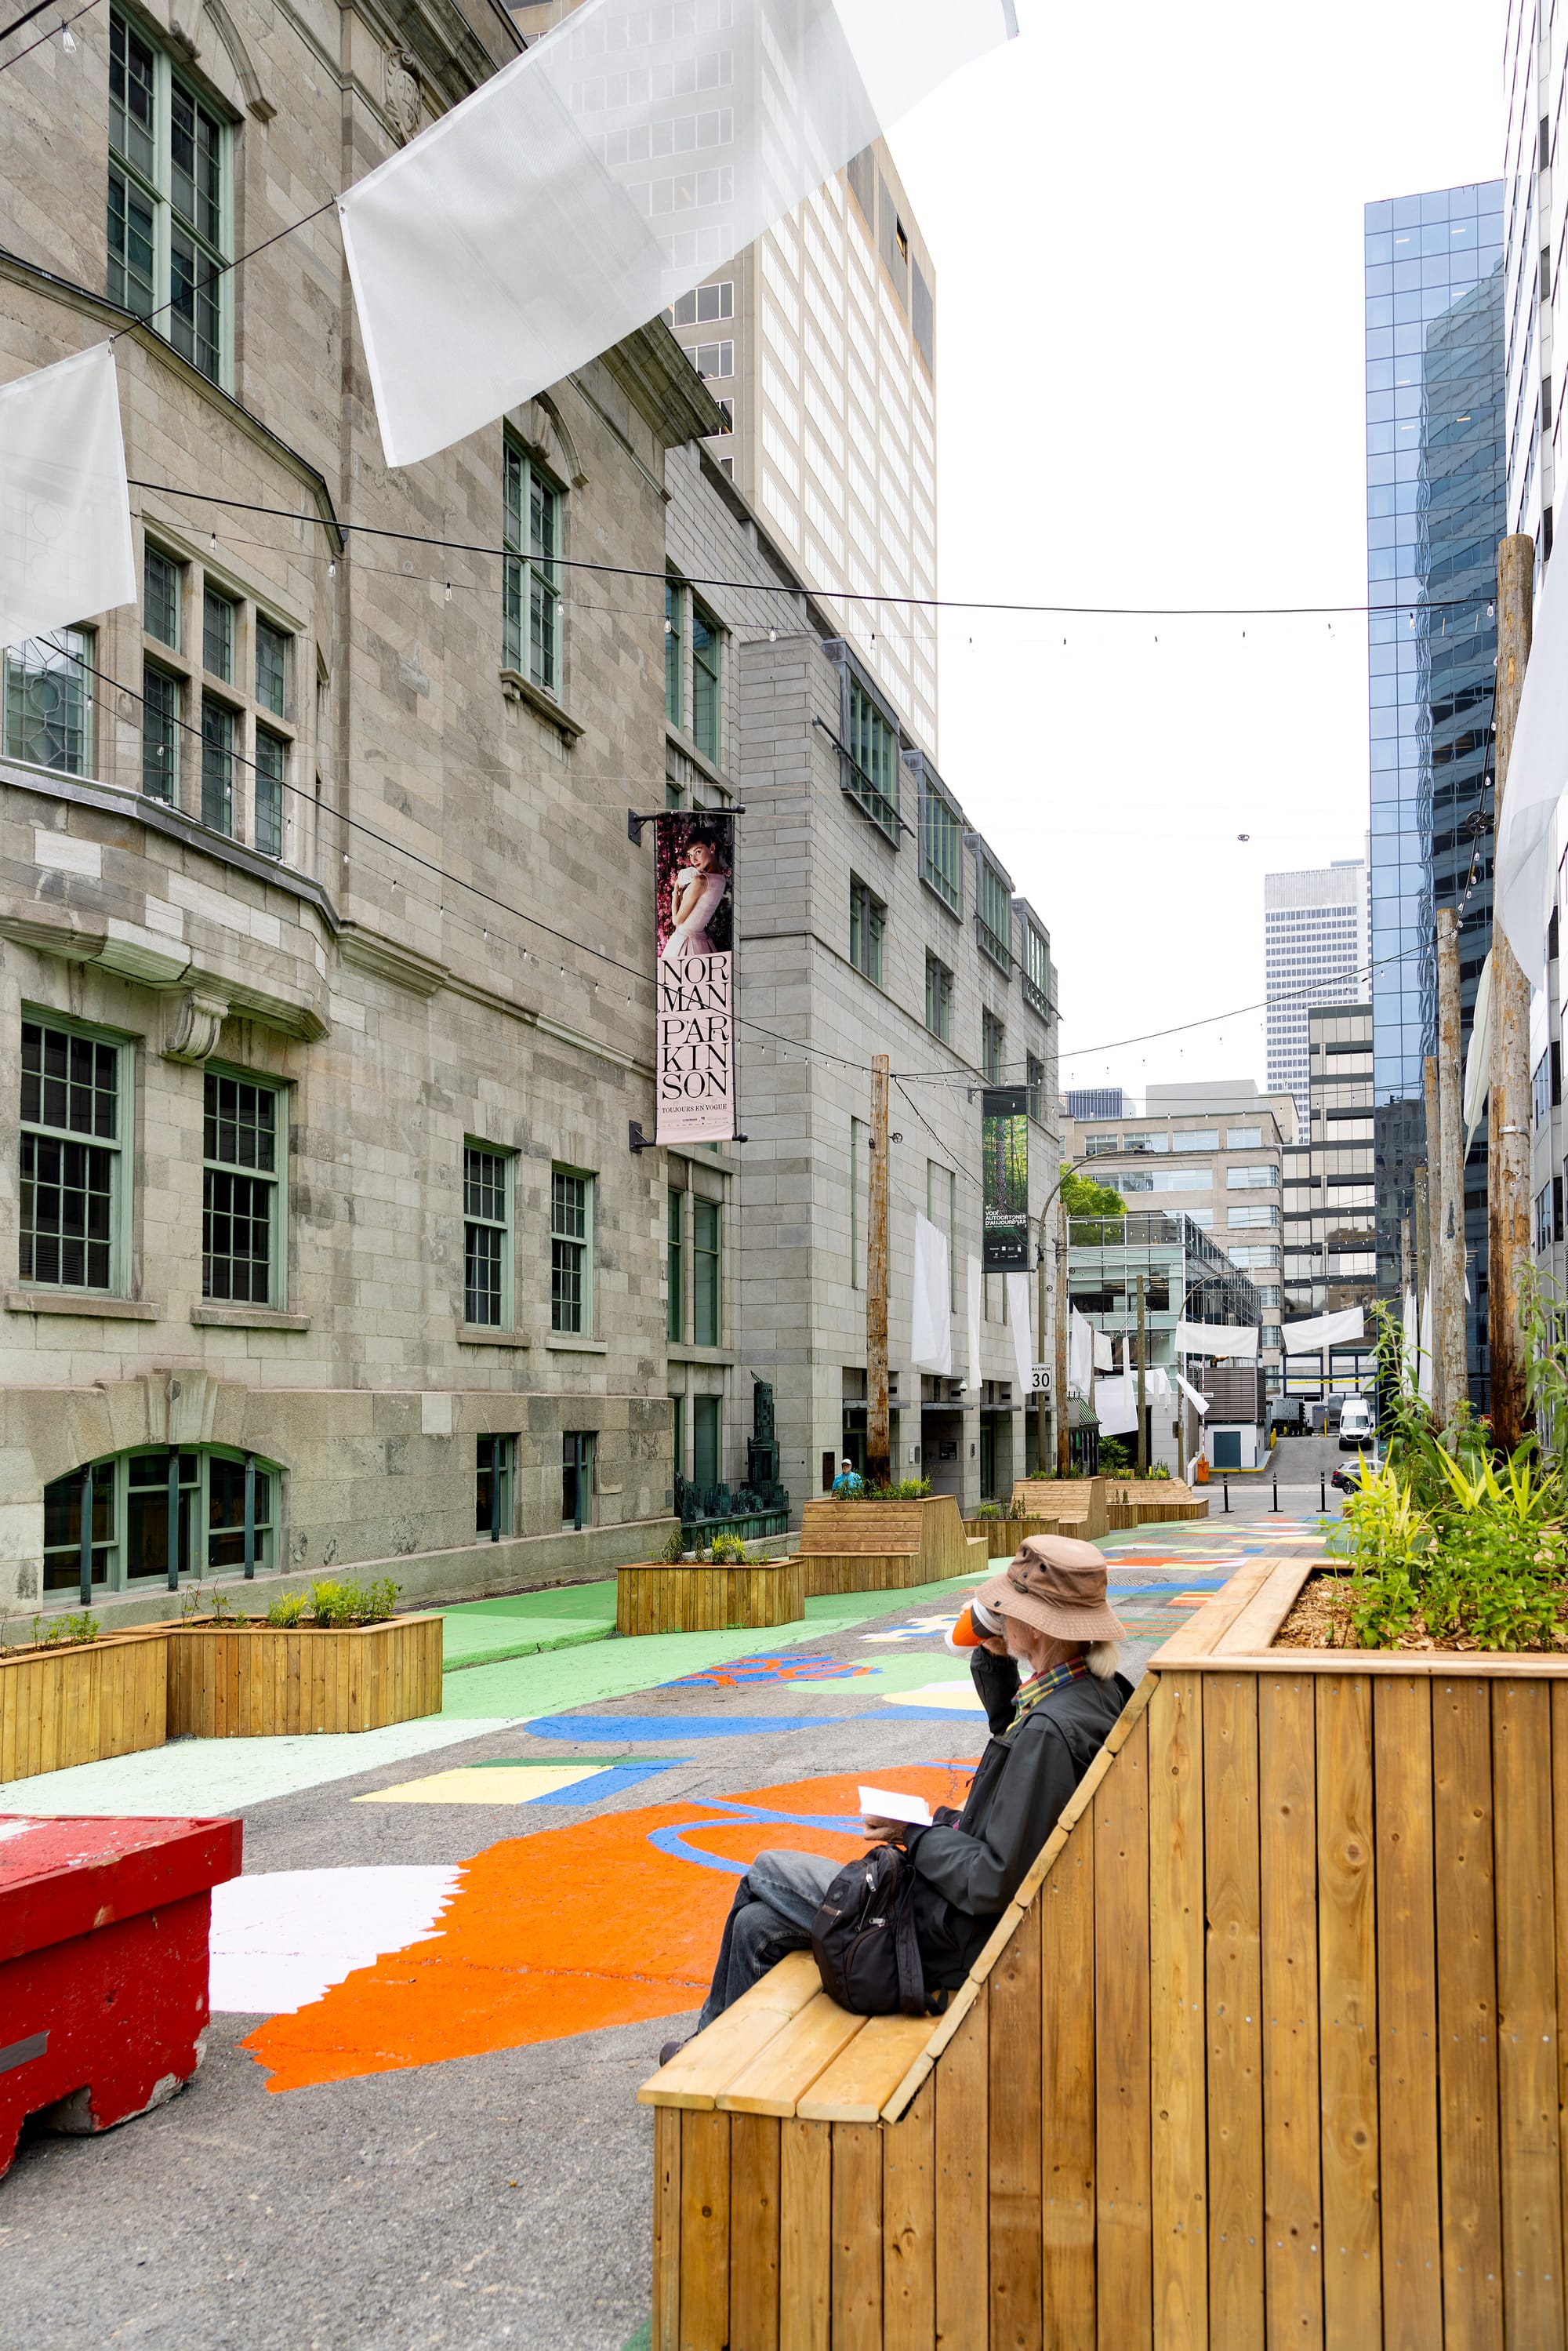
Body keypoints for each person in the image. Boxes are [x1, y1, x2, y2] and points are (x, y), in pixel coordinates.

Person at [662, 1537, 1131, 2057]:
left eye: (1008, 1610)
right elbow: (1016, 1768)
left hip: (955, 1932)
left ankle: (699, 2055)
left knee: (765, 1873)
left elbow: (990, 1879)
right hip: (978, 1916)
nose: (998, 1618)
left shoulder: (1050, 1730)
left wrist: (914, 1833)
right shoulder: (1090, 1691)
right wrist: (997, 1661)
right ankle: (712, 2056)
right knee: (758, 1925)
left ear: (1038, 1626)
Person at [660, 835, 730, 965]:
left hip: (685, 942)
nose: (694, 859)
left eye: (698, 852)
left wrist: (677, 887)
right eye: (690, 855)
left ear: (712, 848)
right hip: (701, 942)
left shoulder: (701, 881)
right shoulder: (721, 880)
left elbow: (676, 920)